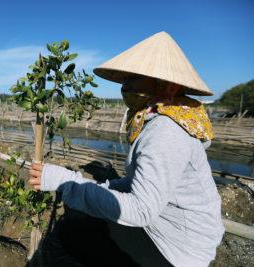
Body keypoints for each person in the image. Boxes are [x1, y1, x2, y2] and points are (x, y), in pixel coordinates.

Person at [29, 32, 224, 267]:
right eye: (125, 79)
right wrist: (98, 186)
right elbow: (137, 183)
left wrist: (65, 182)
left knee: (73, 234)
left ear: (169, 87)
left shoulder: (166, 131)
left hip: (179, 248)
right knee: (84, 222)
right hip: (170, 229)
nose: (125, 86)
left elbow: (141, 210)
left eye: (134, 78)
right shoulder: (162, 118)